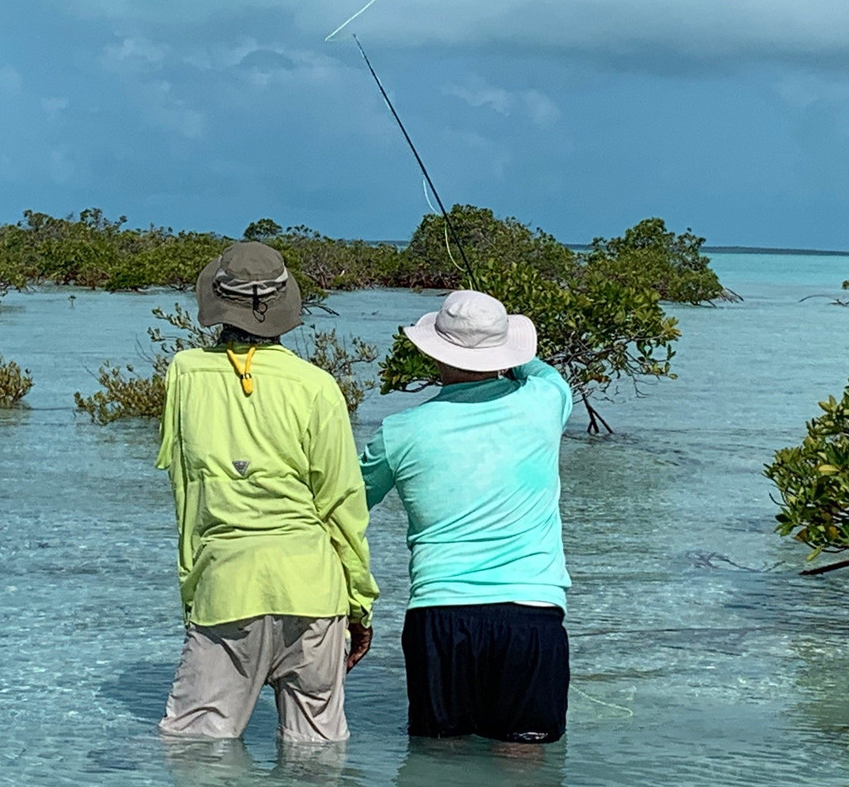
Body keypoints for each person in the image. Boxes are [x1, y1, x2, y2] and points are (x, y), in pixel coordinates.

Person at [155, 241, 379, 742]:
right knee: (316, 756)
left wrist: (194, 591)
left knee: (196, 753)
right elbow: (343, 506)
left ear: (217, 303)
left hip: (227, 588)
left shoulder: (184, 375)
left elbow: (187, 497)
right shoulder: (317, 386)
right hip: (316, 592)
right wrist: (359, 605)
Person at [360, 290, 572, 744]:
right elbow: (537, 368)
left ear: (431, 351)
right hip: (533, 615)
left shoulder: (399, 431)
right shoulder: (546, 400)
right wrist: (509, 354)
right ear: (505, 350)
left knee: (439, 762)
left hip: (440, 614)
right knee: (524, 762)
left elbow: (347, 505)